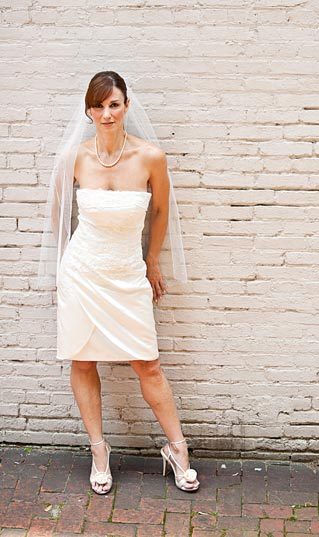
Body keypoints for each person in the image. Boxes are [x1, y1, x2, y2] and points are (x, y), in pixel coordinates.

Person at [39, 71, 198, 494]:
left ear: (127, 105)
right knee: (83, 360)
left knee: (148, 363)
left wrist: (151, 262)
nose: (106, 113)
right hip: (83, 272)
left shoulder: (151, 157)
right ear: (88, 110)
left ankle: (178, 449)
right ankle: (98, 449)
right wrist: (66, 266)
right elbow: (58, 213)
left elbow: (161, 213)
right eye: (99, 105)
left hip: (128, 273)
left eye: (114, 104)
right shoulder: (75, 158)